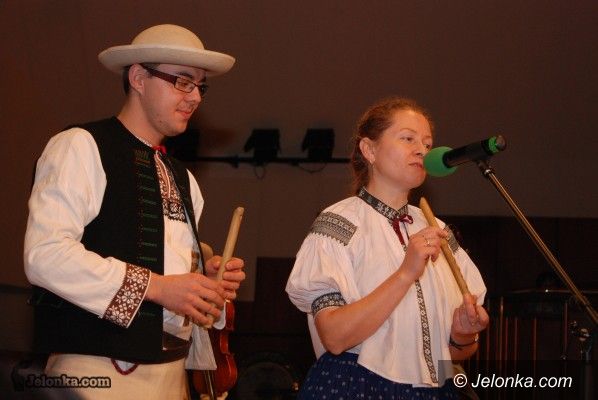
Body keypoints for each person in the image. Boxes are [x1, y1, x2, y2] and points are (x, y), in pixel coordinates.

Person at [24, 24, 245, 399]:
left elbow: (172, 284)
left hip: (173, 378)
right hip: (98, 374)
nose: (195, 97)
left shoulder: (184, 178)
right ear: (139, 77)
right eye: (183, 82)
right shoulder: (81, 146)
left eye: (200, 86)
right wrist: (158, 287)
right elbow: (45, 255)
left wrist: (202, 284)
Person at [286, 97, 489, 399]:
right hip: (355, 387)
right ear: (369, 150)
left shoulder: (438, 231)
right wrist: (405, 274)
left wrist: (463, 334)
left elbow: (452, 356)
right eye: (407, 138)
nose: (421, 150)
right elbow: (335, 337)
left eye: (427, 143)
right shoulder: (338, 224)